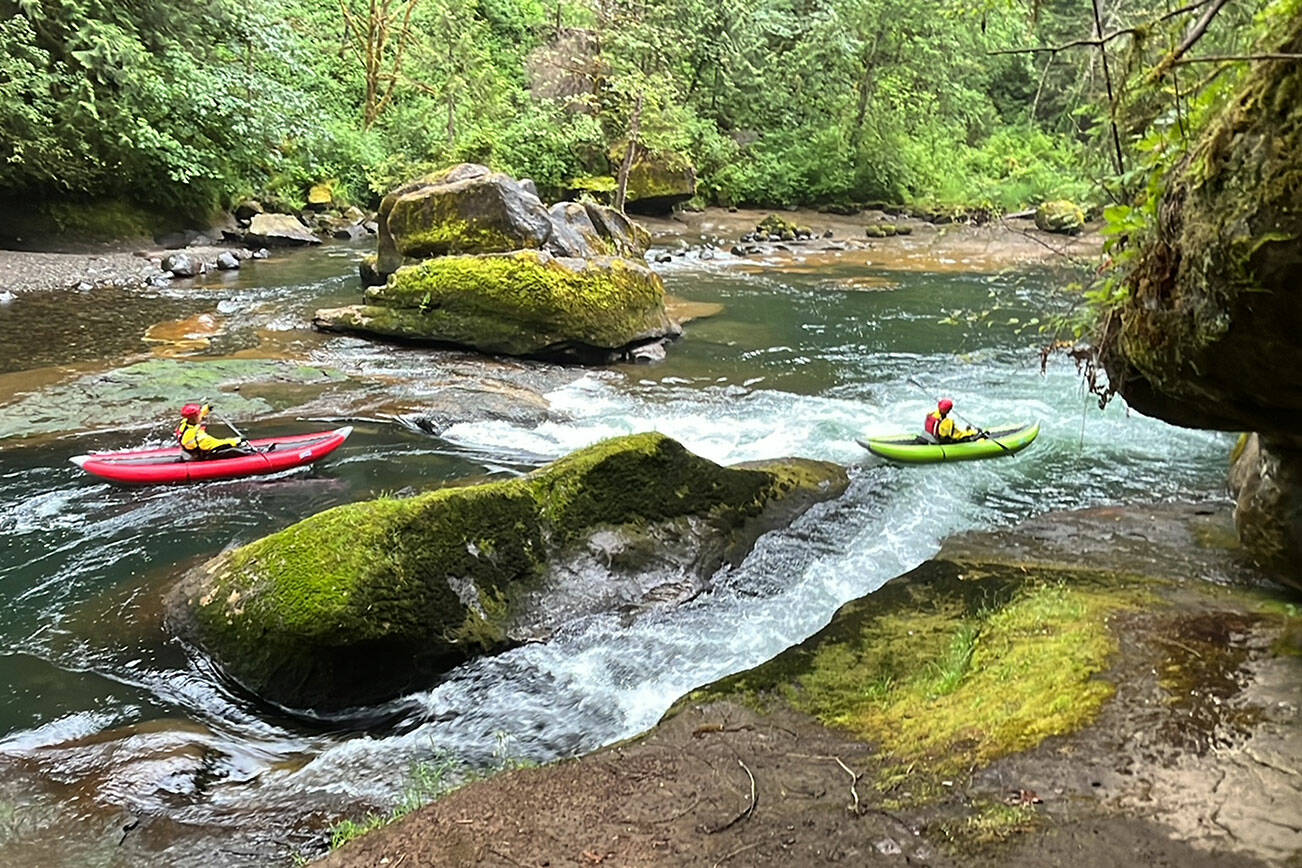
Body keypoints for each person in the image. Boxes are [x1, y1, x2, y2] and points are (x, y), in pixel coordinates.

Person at [175, 403, 254, 458]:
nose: (201, 415)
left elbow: (199, 415)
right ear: (194, 417)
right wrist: (237, 440)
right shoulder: (199, 436)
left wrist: (207, 408)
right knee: (234, 451)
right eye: (199, 414)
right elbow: (218, 443)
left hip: (190, 451)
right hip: (202, 455)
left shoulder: (184, 423)